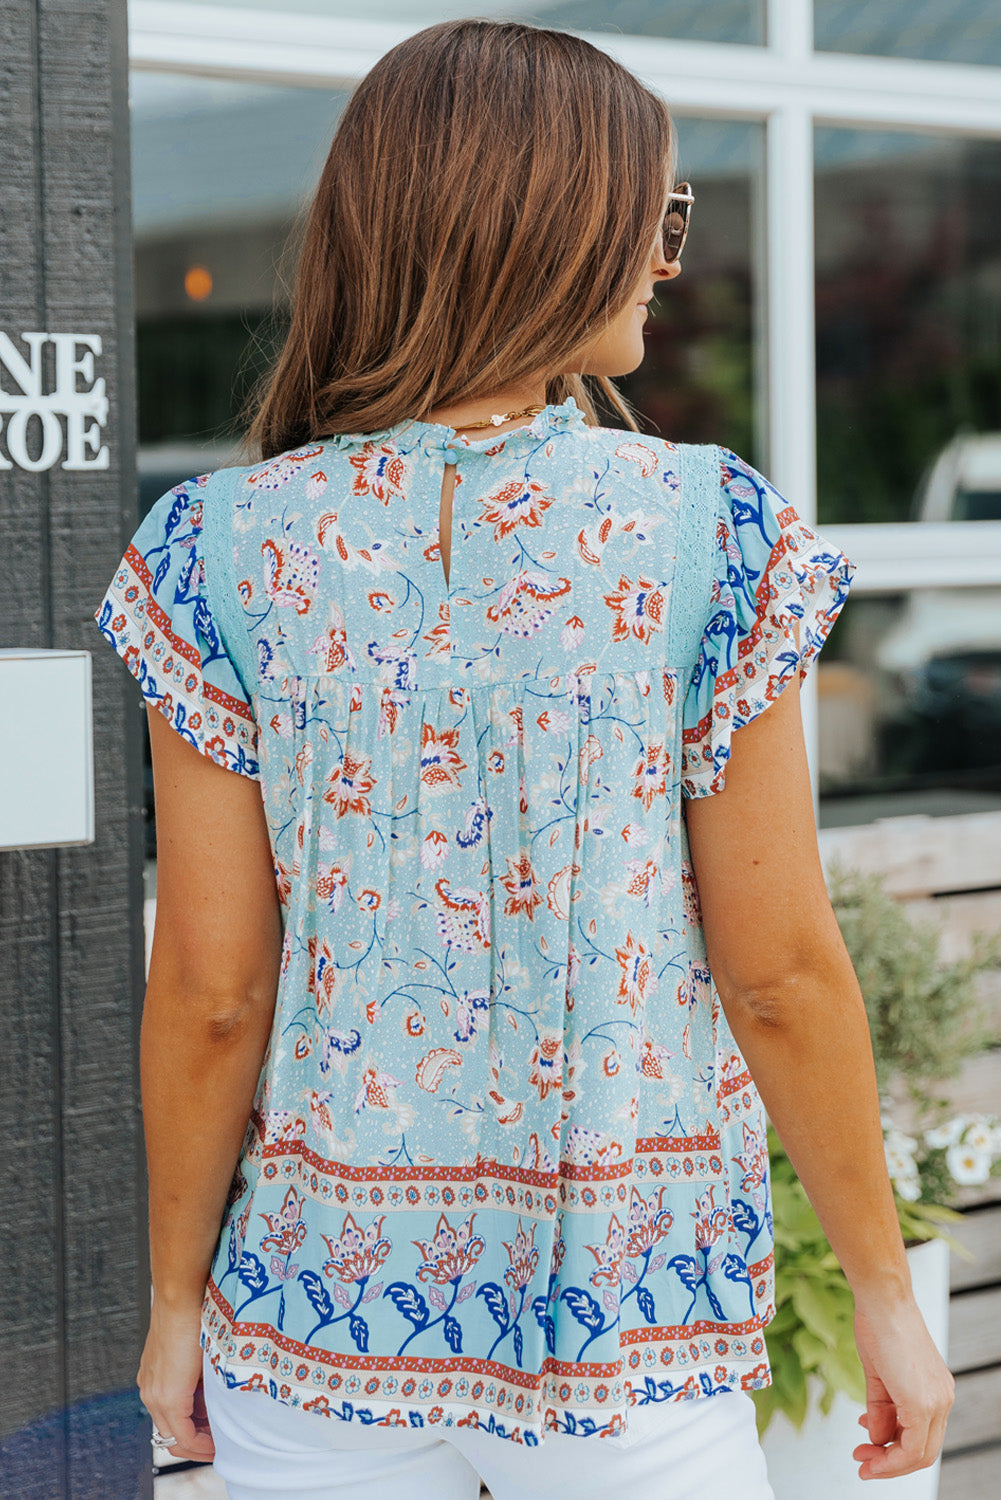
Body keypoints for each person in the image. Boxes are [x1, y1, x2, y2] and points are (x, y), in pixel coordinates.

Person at [93, 17, 954, 1500]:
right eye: (657, 218)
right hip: (621, 1328)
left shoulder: (218, 552)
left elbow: (213, 989)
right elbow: (778, 971)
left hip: (319, 1326)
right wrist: (886, 1297)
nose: (663, 262)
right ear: (554, 230)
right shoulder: (707, 537)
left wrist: (176, 1308)